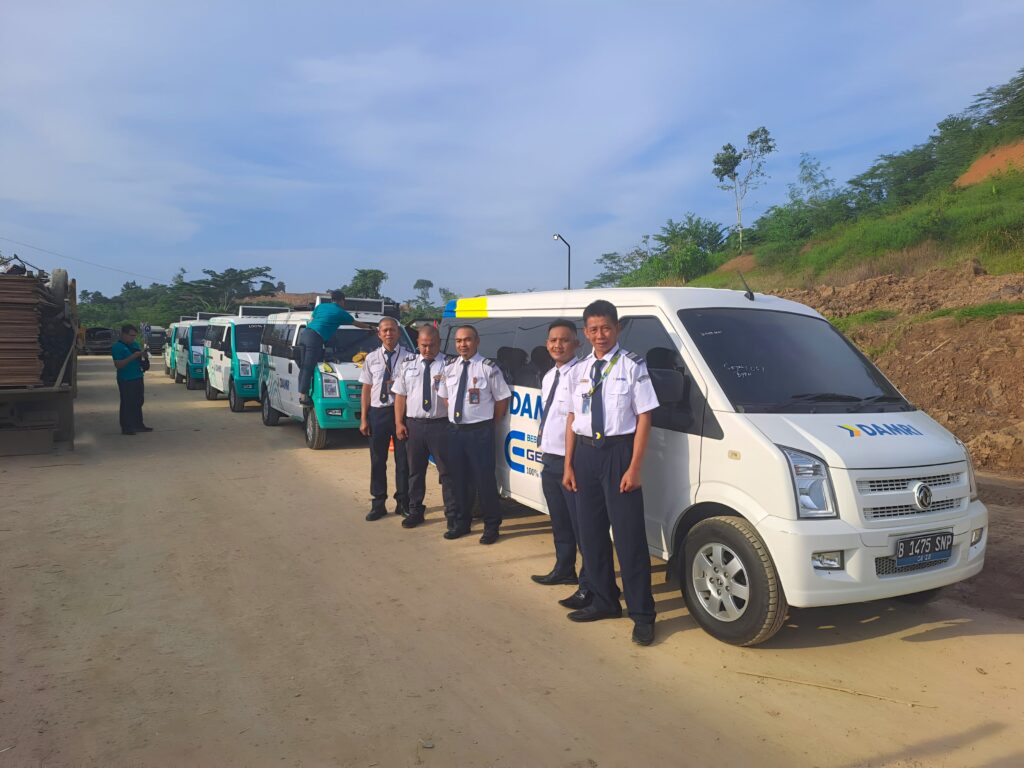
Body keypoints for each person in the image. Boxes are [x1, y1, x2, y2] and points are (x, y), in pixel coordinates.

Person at [563, 300, 659, 647]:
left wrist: (634, 467)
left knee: (630, 540)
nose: (599, 335)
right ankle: (604, 601)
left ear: (616, 329)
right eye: (593, 329)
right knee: (590, 536)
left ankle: (643, 615)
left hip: (619, 454)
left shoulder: (633, 365)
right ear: (585, 333)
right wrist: (569, 464)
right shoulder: (579, 370)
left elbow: (645, 416)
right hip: (585, 456)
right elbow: (573, 419)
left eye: (605, 328)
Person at [531, 320, 592, 611]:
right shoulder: (548, 376)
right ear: (547, 344)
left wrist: (569, 462)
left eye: (565, 340)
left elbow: (578, 421)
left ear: (577, 344)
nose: (558, 345)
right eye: (553, 340)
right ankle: (564, 568)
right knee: (560, 521)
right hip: (550, 457)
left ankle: (588, 584)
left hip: (573, 461)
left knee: (584, 528)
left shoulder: (582, 375)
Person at [437, 325, 511, 544]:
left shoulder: (488, 368)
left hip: (479, 432)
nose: (462, 344)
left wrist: (489, 423)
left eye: (467, 340)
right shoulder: (449, 367)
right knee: (458, 479)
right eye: (459, 341)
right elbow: (446, 397)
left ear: (477, 342)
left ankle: (491, 526)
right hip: (455, 431)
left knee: (484, 481)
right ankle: (462, 523)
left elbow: (502, 399)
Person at [392, 325, 456, 529]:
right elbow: (400, 395)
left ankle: (452, 515)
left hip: (441, 425)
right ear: (417, 343)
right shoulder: (407, 364)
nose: (427, 349)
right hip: (415, 425)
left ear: (439, 343)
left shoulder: (450, 364)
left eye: (432, 345)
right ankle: (415, 510)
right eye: (423, 345)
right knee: (415, 471)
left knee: (447, 473)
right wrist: (399, 422)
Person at [359, 316, 416, 521]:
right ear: (379, 334)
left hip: (401, 413)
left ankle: (403, 502)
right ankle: (378, 503)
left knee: (403, 461)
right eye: (385, 330)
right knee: (377, 460)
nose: (389, 333)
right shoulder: (371, 358)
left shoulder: (410, 358)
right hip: (378, 413)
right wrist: (364, 418)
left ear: (399, 333)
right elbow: (366, 388)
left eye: (392, 330)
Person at [298, 290, 372, 406]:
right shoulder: (341, 313)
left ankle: (302, 393)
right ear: (342, 301)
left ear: (331, 299)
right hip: (315, 338)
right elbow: (356, 324)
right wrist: (370, 327)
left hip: (305, 334)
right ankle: (304, 396)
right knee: (309, 365)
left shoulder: (321, 307)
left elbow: (312, 320)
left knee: (304, 365)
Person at [110, 324, 152, 435]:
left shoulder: (135, 344)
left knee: (138, 401)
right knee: (127, 402)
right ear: (123, 334)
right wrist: (133, 356)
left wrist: (144, 358)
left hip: (137, 376)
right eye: (131, 335)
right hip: (126, 379)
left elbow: (140, 359)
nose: (133, 338)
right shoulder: (117, 347)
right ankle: (126, 427)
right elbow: (118, 365)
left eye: (134, 336)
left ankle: (138, 424)